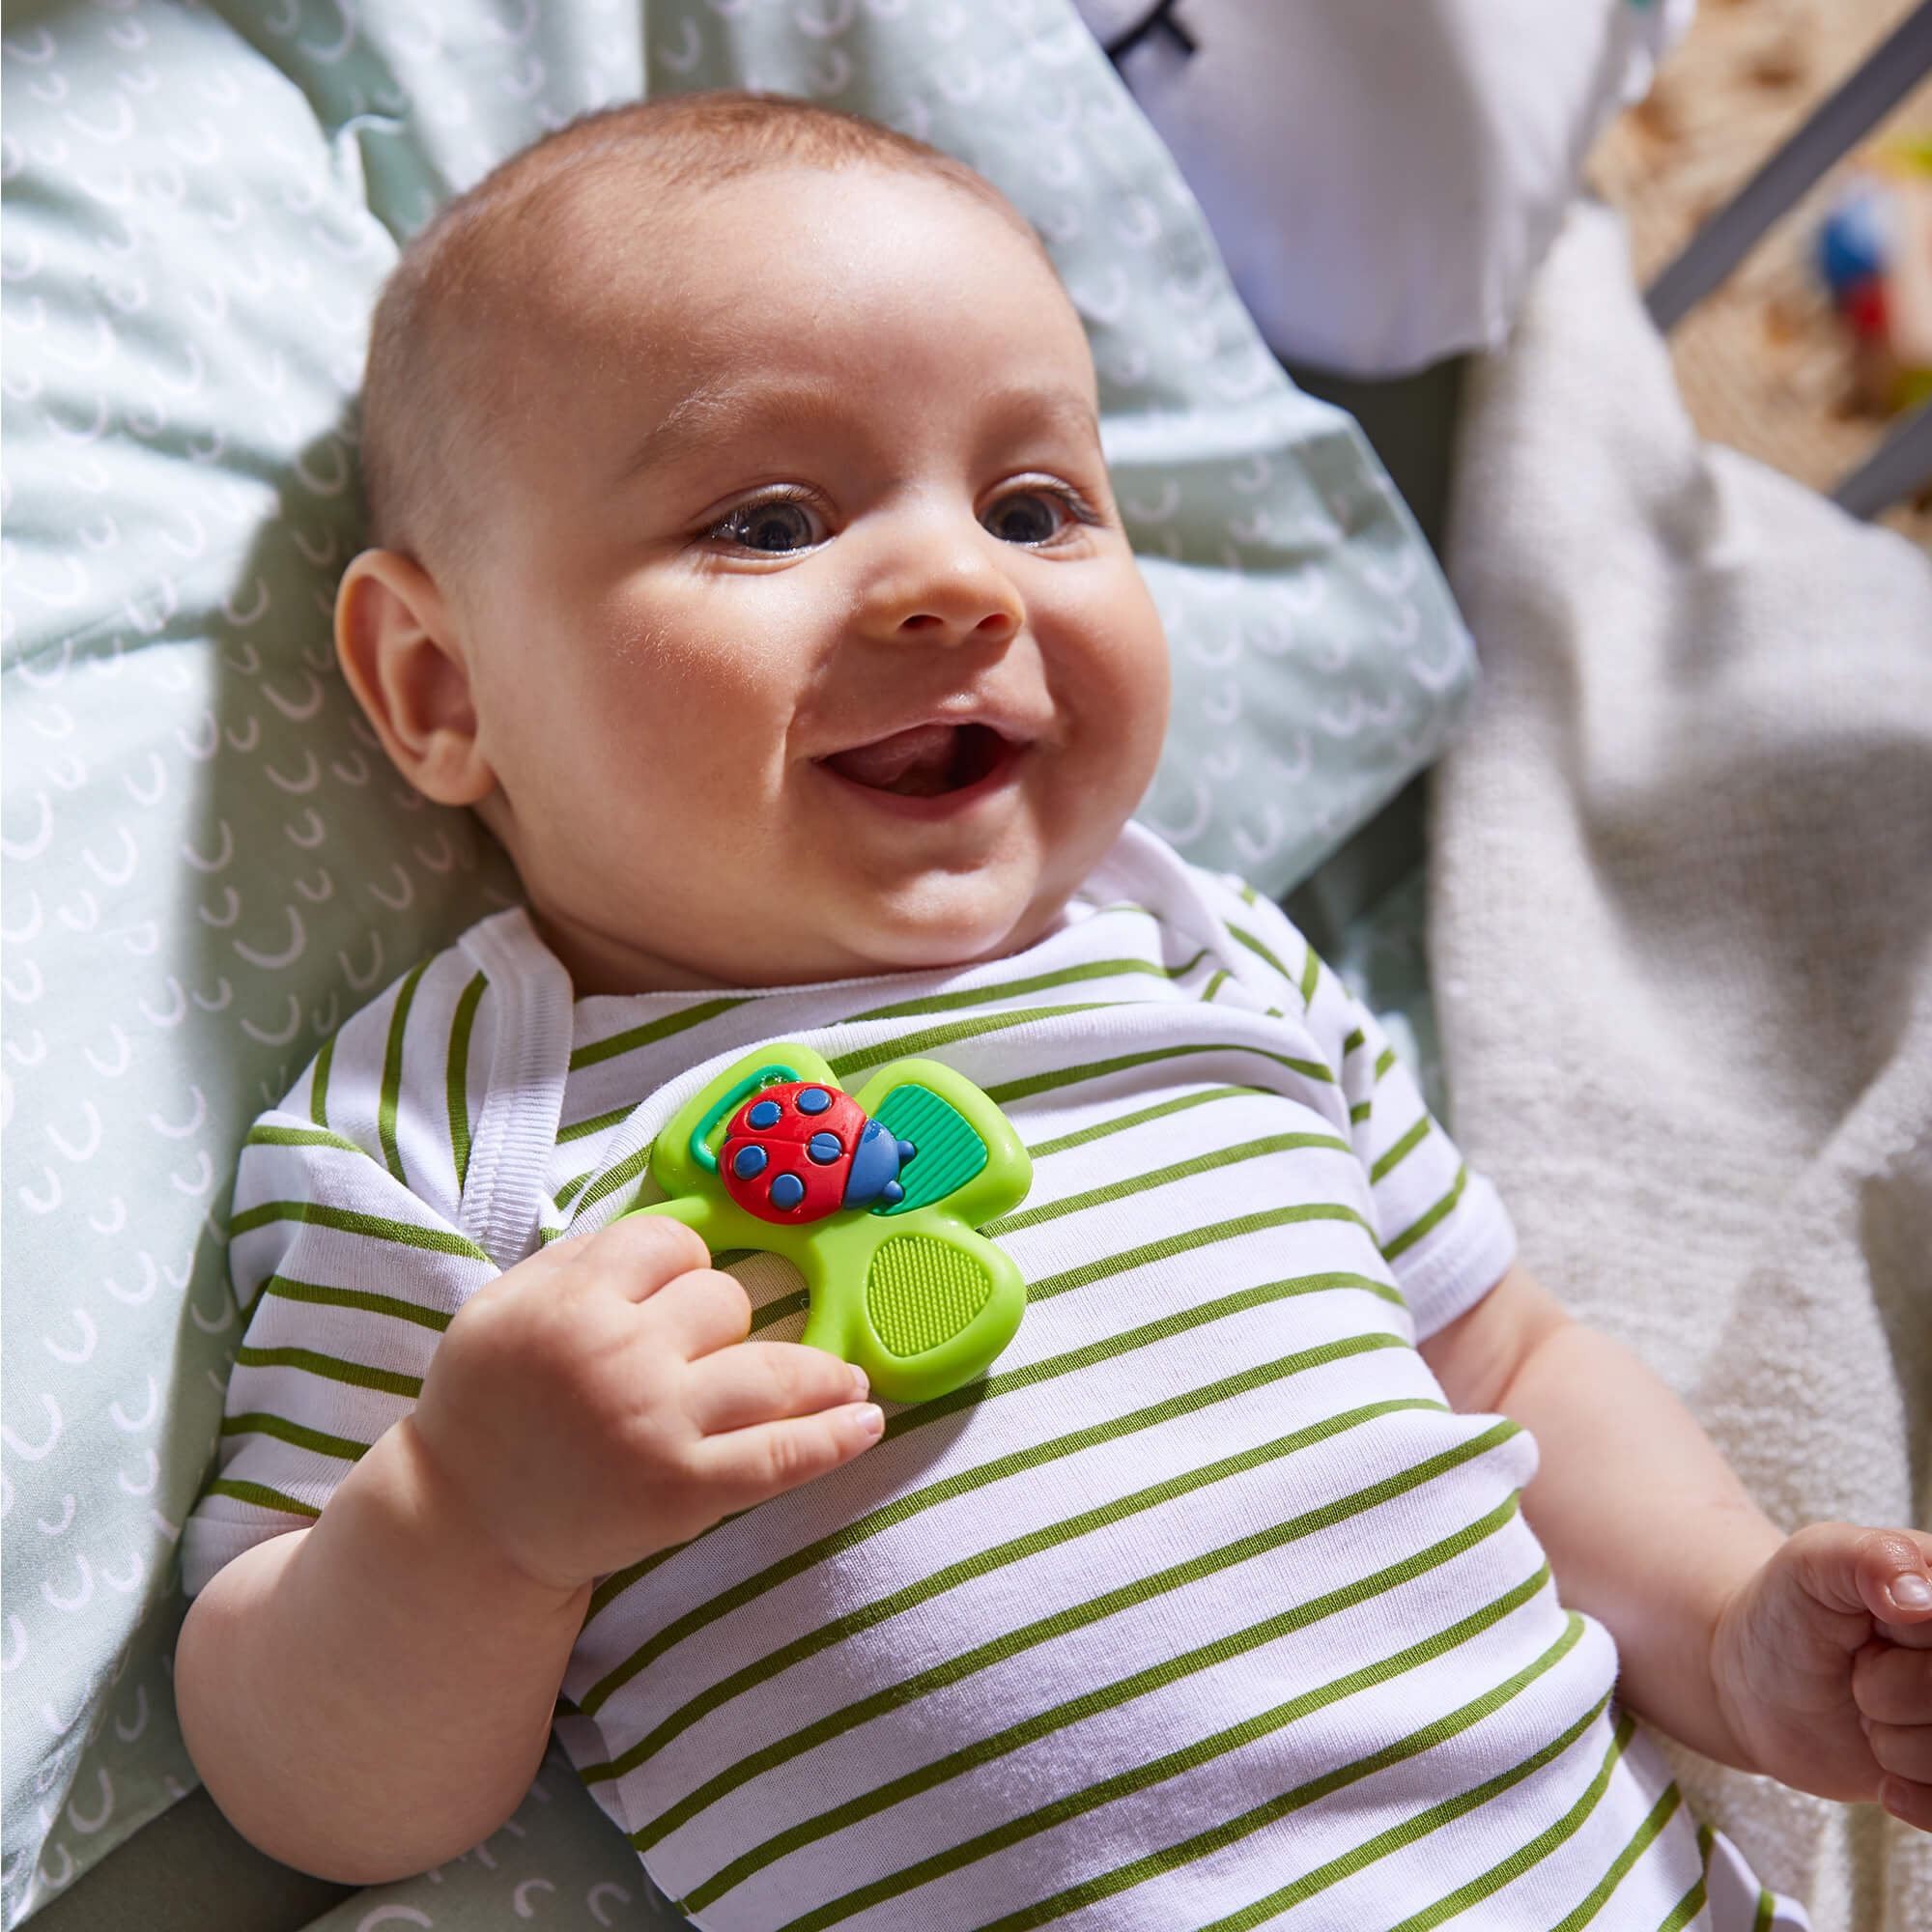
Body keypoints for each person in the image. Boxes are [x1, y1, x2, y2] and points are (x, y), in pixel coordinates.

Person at [175, 94, 1930, 1930]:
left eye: (1035, 504)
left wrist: (1733, 1631)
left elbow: (1505, 1373)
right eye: (770, 519)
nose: (958, 581)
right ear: (441, 685)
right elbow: (307, 1782)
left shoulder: (1201, 953)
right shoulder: (459, 1125)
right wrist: (469, 1519)